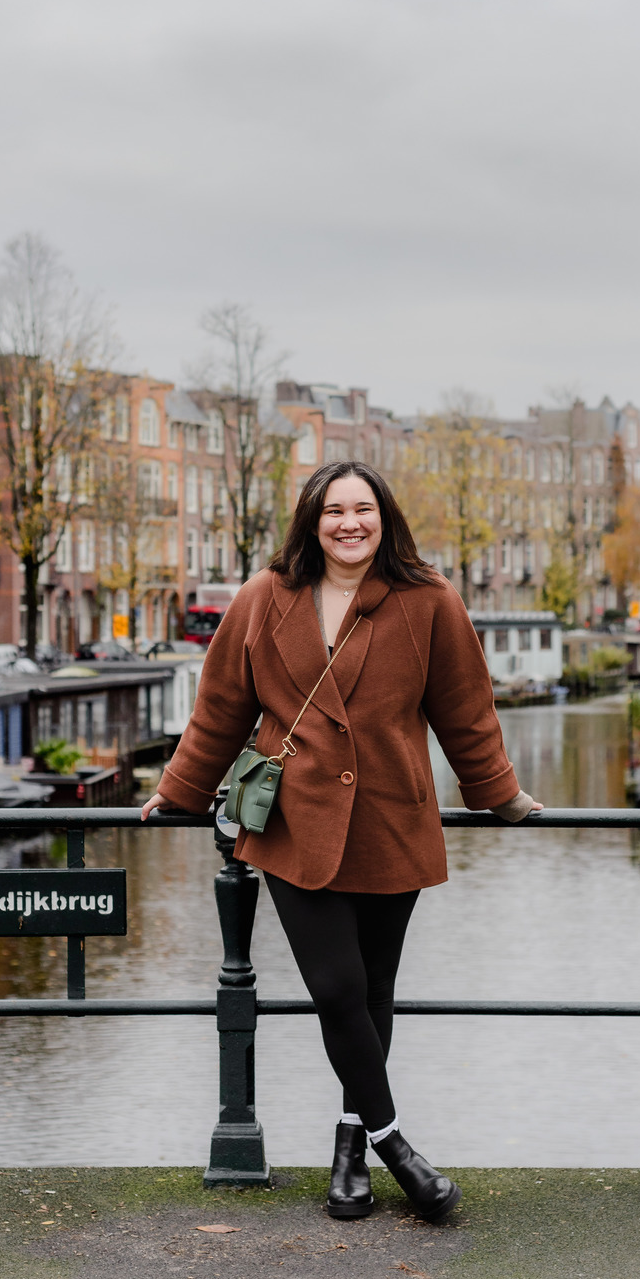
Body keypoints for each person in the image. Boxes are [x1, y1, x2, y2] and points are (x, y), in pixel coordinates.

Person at [141, 462, 541, 1222]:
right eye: (333, 511)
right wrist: (180, 788)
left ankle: (351, 1145)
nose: (349, 523)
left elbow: (466, 710)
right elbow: (221, 702)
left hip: (394, 817)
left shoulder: (429, 600)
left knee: (375, 992)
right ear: (311, 521)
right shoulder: (266, 597)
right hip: (294, 826)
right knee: (338, 990)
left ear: (384, 518)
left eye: (363, 509)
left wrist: (502, 796)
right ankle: (397, 1146)